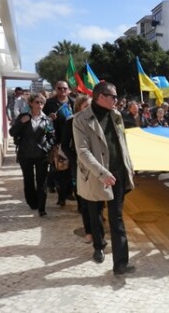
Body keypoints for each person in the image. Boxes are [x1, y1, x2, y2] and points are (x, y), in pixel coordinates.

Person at [73, 81, 135, 276]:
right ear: (101, 97)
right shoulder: (81, 119)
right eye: (113, 97)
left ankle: (120, 264)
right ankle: (98, 247)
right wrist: (102, 172)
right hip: (95, 175)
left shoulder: (116, 115)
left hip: (117, 173)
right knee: (95, 212)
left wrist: (129, 168)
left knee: (116, 218)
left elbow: (122, 144)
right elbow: (82, 151)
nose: (117, 100)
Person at [9, 93, 54, 217]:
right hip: (25, 154)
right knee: (28, 180)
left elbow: (52, 136)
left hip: (41, 155)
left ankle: (41, 207)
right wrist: (21, 123)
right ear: (31, 103)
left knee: (42, 181)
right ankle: (32, 202)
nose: (39, 105)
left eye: (42, 103)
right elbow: (12, 132)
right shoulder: (23, 117)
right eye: (37, 102)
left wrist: (47, 148)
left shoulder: (47, 120)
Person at [61, 94, 94, 243]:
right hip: (80, 164)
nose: (89, 109)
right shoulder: (71, 121)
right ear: (79, 107)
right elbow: (64, 145)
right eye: (86, 106)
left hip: (96, 164)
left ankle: (97, 217)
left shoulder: (96, 121)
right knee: (84, 197)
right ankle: (89, 228)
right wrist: (75, 158)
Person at [43, 80, 75, 207]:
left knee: (71, 170)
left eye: (64, 88)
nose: (62, 91)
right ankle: (61, 196)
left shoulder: (73, 103)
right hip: (58, 142)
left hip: (72, 142)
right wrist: (48, 118)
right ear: (56, 89)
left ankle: (69, 192)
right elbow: (42, 119)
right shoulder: (49, 103)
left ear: (68, 90)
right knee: (60, 170)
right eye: (60, 88)